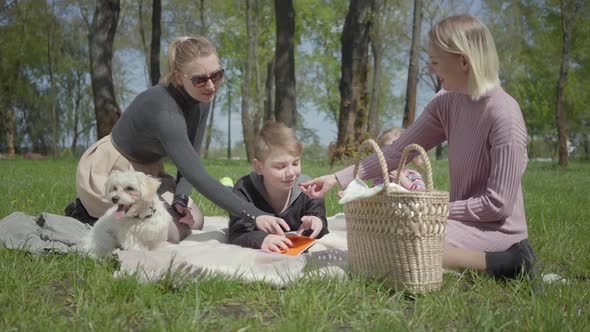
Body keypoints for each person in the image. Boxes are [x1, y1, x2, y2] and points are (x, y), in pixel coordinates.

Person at [300, 15, 537, 281]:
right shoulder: (446, 102)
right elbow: (396, 153)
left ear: (464, 60)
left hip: (497, 230)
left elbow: (497, 206)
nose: (429, 69)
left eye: (435, 62)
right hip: (454, 220)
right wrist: (336, 178)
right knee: (382, 230)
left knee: (397, 239)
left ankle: (508, 262)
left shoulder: (504, 115)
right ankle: (491, 262)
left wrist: (428, 207)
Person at [65, 36, 288, 243]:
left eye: (217, 75)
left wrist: (180, 198)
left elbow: (191, 159)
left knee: (195, 221)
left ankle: (127, 217)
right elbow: (196, 175)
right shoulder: (164, 110)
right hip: (115, 171)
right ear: (179, 77)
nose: (211, 85)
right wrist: (254, 214)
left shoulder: (203, 98)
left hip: (149, 173)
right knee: (171, 233)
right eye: (200, 79)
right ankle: (88, 213)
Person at [229, 121, 329, 253]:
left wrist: (317, 222)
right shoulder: (245, 189)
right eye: (280, 166)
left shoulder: (309, 190)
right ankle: (227, 187)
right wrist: (262, 239)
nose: (291, 173)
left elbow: (321, 225)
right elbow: (236, 233)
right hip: (236, 193)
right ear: (259, 167)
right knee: (229, 194)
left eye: (295, 163)